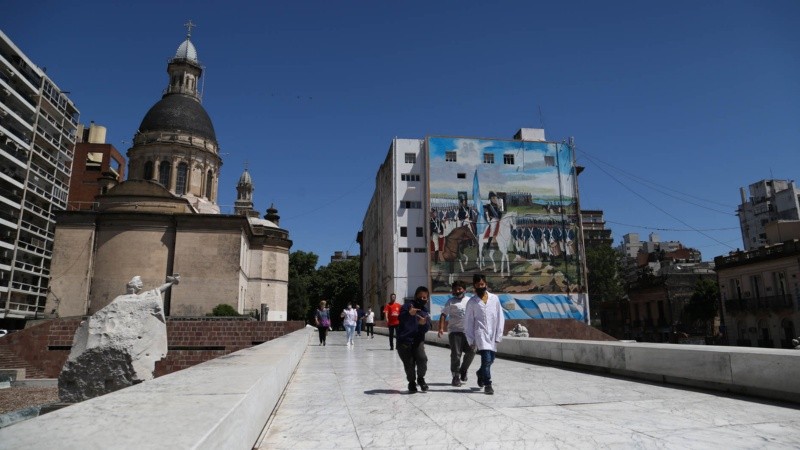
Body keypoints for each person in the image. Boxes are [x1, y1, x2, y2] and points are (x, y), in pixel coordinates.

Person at [465, 273, 505, 395]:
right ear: (474, 286)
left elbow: (500, 317)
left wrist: (499, 334)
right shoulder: (472, 302)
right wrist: (471, 340)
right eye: (478, 285)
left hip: (493, 334)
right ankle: (488, 384)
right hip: (481, 333)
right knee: (486, 358)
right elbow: (468, 321)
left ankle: (480, 373)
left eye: (482, 284)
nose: (480, 286)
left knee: (491, 360)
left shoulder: (495, 298)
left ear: (486, 284)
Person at [437, 280, 475, 387]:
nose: (458, 291)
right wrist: (441, 328)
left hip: (468, 332)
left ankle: (463, 370)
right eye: (455, 289)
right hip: (455, 332)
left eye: (460, 289)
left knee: (472, 351)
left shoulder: (470, 301)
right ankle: (456, 376)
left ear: (464, 289)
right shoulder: (450, 302)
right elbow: (443, 315)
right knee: (456, 355)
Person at [397, 286, 431, 393]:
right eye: (420, 297)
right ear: (416, 296)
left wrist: (423, 324)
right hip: (404, 341)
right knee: (409, 364)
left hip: (418, 341)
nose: (422, 299)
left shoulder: (425, 312)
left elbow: (426, 328)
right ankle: (411, 382)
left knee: (422, 359)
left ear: (427, 299)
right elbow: (400, 318)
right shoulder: (407, 306)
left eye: (424, 297)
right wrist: (409, 314)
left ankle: (421, 378)